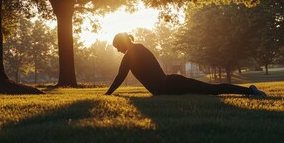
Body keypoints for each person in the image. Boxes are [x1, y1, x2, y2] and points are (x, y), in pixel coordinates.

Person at [105, 32, 267, 96]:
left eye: (117, 47)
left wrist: (107, 95)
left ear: (122, 43)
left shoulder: (132, 53)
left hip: (171, 85)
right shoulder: (136, 49)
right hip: (170, 85)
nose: (118, 50)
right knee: (211, 91)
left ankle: (251, 91)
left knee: (212, 90)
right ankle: (250, 91)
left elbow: (120, 77)